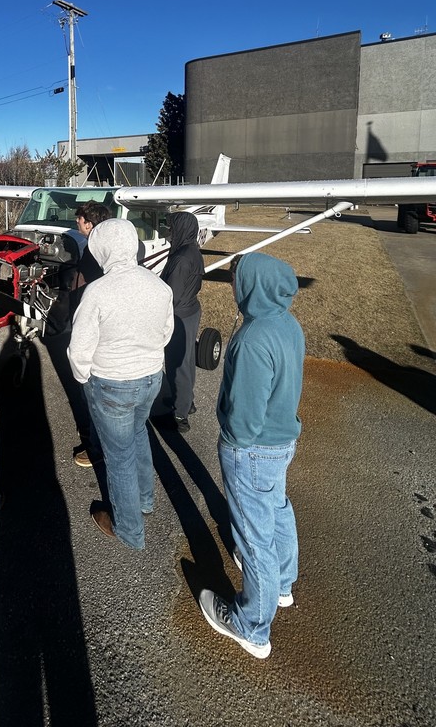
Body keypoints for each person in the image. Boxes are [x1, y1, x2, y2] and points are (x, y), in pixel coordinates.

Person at [199, 252, 304, 659]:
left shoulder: (253, 338)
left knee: (253, 536)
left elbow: (244, 415)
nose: (234, 288)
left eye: (238, 281)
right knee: (277, 509)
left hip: (253, 450)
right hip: (282, 442)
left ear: (252, 286)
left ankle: (251, 627)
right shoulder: (288, 325)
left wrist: (232, 441)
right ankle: (282, 585)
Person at [68, 219, 173, 550]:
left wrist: (84, 376)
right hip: (151, 379)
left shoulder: (97, 291)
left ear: (102, 249)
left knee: (119, 457)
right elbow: (166, 332)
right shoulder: (159, 286)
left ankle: (129, 529)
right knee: (138, 432)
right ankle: (145, 499)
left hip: (112, 383)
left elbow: (79, 348)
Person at [153, 211, 204, 432]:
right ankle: (186, 401)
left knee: (177, 364)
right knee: (187, 359)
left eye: (173, 229)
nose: (170, 234)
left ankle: (180, 416)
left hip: (179, 314)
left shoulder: (181, 258)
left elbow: (170, 294)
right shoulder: (192, 250)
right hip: (190, 310)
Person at [69, 201, 111, 468]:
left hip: (95, 327)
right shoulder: (101, 246)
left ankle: (96, 447)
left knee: (95, 393)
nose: (76, 223)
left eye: (79, 220)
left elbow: (91, 289)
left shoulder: (97, 251)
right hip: (98, 323)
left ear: (90, 223)